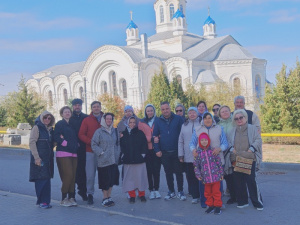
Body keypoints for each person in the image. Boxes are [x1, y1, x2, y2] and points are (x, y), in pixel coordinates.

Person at [190, 112, 229, 208]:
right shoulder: (197, 129)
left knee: (218, 184)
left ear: (212, 119)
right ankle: (205, 203)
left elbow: (225, 143)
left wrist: (220, 149)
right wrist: (193, 150)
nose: (207, 120)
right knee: (204, 184)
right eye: (205, 118)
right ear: (203, 120)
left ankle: (218, 203)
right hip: (203, 162)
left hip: (217, 160)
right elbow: (192, 143)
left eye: (209, 118)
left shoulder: (219, 129)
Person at [230, 109, 263, 210]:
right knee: (239, 182)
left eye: (241, 117)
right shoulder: (232, 130)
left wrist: (251, 148)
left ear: (245, 118)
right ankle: (242, 201)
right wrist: (231, 149)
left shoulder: (252, 128)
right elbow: (228, 142)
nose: (239, 120)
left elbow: (258, 139)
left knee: (251, 181)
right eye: (236, 118)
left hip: (249, 158)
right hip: (237, 158)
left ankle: (257, 202)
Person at [153, 101, 186, 201]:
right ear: (161, 110)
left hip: (177, 151)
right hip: (165, 152)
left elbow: (183, 135)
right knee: (168, 173)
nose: (165, 111)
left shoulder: (178, 119)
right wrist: (157, 149)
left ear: (170, 108)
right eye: (163, 109)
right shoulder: (158, 121)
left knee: (179, 172)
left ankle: (180, 191)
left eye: (167, 109)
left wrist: (183, 151)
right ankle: (171, 191)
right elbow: (155, 136)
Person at [91, 113, 120, 207]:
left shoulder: (115, 131)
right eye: (107, 119)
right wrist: (101, 152)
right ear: (104, 120)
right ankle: (104, 197)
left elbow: (118, 144)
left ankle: (109, 196)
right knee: (104, 180)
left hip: (113, 160)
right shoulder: (99, 132)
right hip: (103, 161)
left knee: (112, 180)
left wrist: (118, 154)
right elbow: (94, 144)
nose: (109, 120)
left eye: (110, 119)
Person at [78, 101, 103, 205]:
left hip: (103, 152)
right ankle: (90, 194)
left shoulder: (105, 118)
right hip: (90, 151)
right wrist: (91, 143)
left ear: (100, 107)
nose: (96, 108)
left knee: (104, 175)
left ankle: (106, 195)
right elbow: (81, 134)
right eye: (94, 107)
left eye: (98, 106)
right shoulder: (87, 120)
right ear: (92, 108)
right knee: (90, 175)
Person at [29, 111, 55, 209]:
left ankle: (46, 201)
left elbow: (51, 143)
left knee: (46, 180)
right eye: (45, 118)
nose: (47, 120)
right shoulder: (37, 128)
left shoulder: (50, 129)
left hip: (48, 159)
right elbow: (32, 142)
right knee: (41, 180)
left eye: (49, 118)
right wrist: (36, 157)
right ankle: (42, 201)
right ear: (41, 118)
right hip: (39, 158)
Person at [54, 106, 79, 207]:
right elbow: (56, 136)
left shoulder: (72, 124)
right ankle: (64, 198)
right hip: (63, 153)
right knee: (68, 175)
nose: (67, 113)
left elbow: (75, 136)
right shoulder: (60, 124)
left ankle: (72, 197)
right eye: (65, 112)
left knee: (73, 176)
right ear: (62, 114)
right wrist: (64, 142)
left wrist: (77, 144)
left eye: (69, 112)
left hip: (73, 153)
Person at [194, 133, 224, 215]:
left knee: (216, 192)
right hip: (205, 178)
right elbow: (196, 165)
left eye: (205, 140)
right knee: (207, 193)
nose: (204, 142)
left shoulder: (213, 151)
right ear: (200, 142)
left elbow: (219, 163)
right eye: (202, 140)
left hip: (216, 177)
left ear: (208, 141)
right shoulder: (198, 153)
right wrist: (198, 175)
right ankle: (211, 206)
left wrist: (221, 173)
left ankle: (218, 206)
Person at [120, 116, 148, 203]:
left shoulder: (140, 133)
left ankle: (142, 194)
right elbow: (121, 146)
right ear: (127, 123)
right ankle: (132, 195)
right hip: (128, 161)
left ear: (136, 124)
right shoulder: (123, 134)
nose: (132, 124)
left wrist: (142, 155)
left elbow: (144, 145)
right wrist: (123, 156)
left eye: (133, 122)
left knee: (140, 178)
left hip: (139, 160)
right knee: (129, 180)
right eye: (130, 122)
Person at [138, 104, 162, 200]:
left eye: (151, 110)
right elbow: (141, 137)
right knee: (149, 171)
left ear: (154, 111)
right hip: (147, 150)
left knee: (157, 170)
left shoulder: (159, 121)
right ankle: (151, 190)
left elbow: (161, 132)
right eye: (148, 111)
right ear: (145, 112)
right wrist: (152, 139)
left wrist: (157, 138)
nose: (150, 112)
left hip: (157, 149)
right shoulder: (141, 122)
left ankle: (156, 189)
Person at [178, 107, 200, 204]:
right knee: (191, 176)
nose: (192, 114)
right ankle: (195, 195)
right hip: (188, 155)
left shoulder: (202, 123)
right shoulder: (184, 125)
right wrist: (180, 154)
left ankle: (202, 194)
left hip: (200, 155)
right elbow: (180, 140)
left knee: (201, 176)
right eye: (190, 112)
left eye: (194, 112)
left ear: (197, 113)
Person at [69, 98, 88, 201]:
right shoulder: (69, 118)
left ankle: (83, 191)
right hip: (71, 149)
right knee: (72, 173)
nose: (77, 107)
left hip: (83, 149)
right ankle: (71, 195)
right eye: (75, 105)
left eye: (79, 105)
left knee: (83, 171)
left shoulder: (86, 117)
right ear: (73, 106)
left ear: (81, 106)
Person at [218, 105, 236, 204]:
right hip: (223, 153)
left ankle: (239, 195)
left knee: (235, 174)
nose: (225, 113)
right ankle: (232, 195)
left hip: (234, 152)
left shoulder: (234, 122)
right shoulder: (217, 125)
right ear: (219, 114)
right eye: (222, 111)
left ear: (230, 112)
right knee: (227, 175)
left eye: (226, 111)